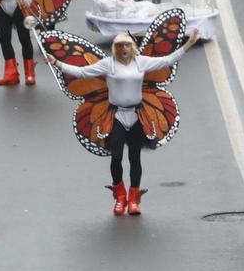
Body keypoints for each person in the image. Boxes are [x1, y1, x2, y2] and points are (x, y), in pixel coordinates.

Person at [43, 29, 202, 215]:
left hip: (136, 115)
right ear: (114, 48)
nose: (123, 49)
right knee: (116, 156)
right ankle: (120, 197)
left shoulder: (141, 62)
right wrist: (56, 62)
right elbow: (82, 72)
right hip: (116, 116)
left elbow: (167, 60)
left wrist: (188, 44)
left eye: (126, 45)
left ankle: (134, 199)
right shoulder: (108, 64)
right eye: (118, 46)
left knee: (135, 158)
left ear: (132, 47)